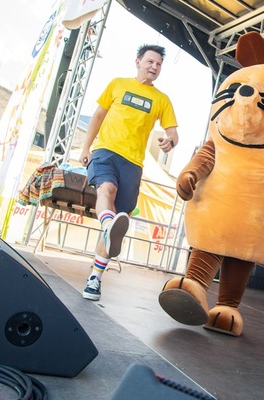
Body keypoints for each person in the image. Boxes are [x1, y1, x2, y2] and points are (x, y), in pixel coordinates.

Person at [77, 44, 179, 301]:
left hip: (133, 164)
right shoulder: (117, 84)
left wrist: (170, 142)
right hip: (106, 152)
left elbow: (173, 132)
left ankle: (95, 278)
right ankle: (107, 224)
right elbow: (98, 116)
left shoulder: (162, 100)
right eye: (150, 61)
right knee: (107, 190)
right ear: (138, 61)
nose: (154, 67)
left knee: (117, 224)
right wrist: (86, 146)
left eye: (159, 64)